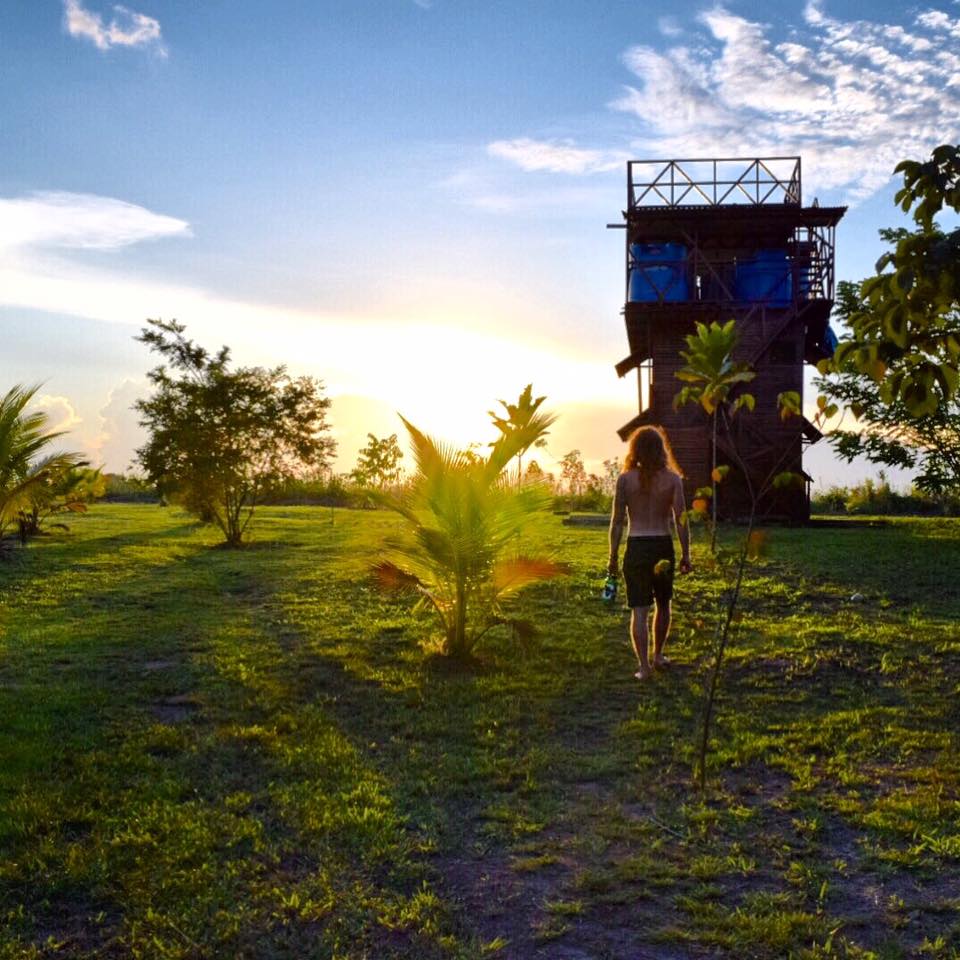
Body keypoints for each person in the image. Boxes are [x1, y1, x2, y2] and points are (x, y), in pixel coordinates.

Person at [608, 425, 691, 680]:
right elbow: (681, 520)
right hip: (662, 546)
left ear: (635, 450)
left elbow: (617, 521)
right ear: (661, 449)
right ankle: (658, 655)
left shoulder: (625, 480)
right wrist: (687, 553)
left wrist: (612, 556)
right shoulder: (673, 479)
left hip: (637, 546)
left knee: (640, 611)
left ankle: (643, 667)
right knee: (663, 605)